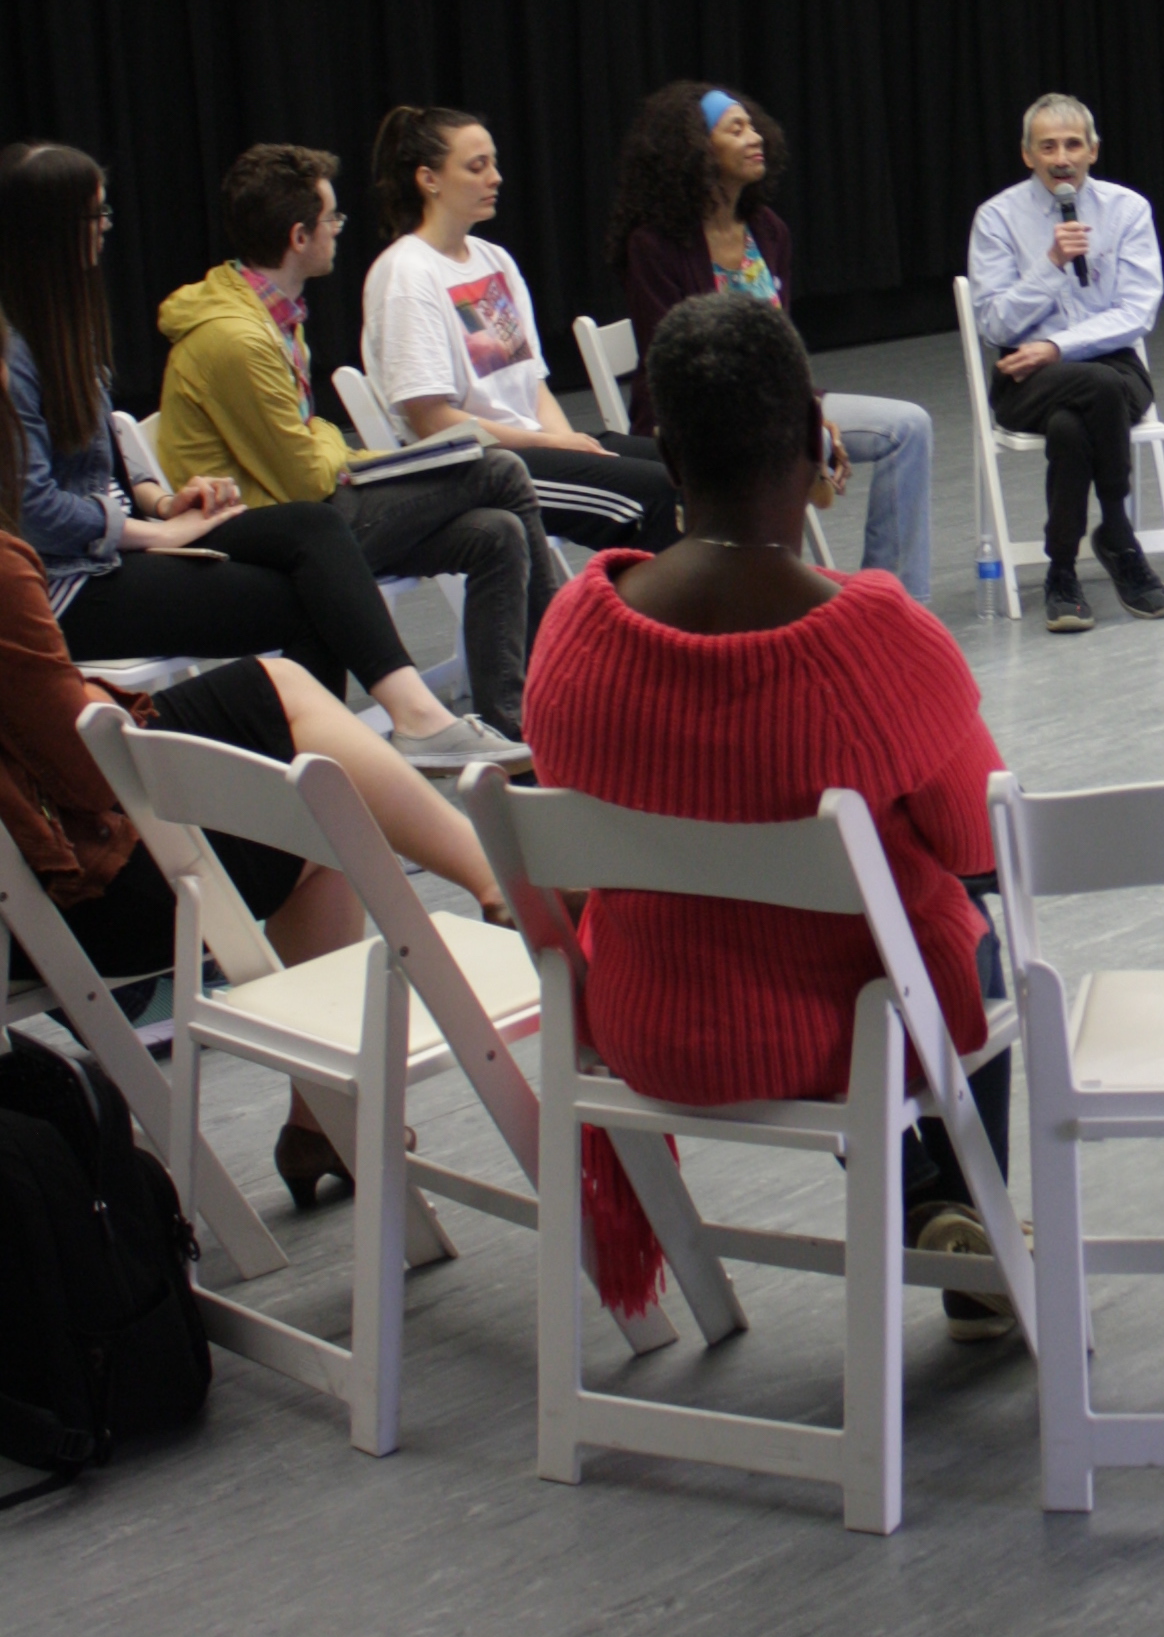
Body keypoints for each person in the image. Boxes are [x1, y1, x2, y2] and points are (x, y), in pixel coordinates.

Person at [521, 293, 1014, 1339]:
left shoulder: (575, 628)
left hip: (648, 1023)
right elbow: (982, 844)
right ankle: (980, 1222)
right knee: (969, 942)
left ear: (662, 448)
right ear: (814, 438)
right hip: (843, 1038)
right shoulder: (878, 638)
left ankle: (928, 1202)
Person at [0, 399, 514, 1206]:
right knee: (308, 761)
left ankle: (323, 1120)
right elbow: (88, 777)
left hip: (34, 891)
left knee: (318, 774)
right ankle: (500, 882)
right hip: (66, 898)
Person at [0, 141, 525, 771]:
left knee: (327, 534)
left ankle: (387, 756)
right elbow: (31, 510)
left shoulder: (65, 327)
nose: (107, 230)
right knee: (477, 483)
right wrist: (153, 532)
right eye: (96, 218)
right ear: (50, 233)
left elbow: (105, 453)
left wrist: (163, 498)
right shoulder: (17, 353)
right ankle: (356, 780)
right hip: (64, 587)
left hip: (119, 546)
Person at [157, 143, 562, 741]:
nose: (338, 232)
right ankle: (573, 670)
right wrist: (327, 445)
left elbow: (307, 441)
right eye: (332, 221)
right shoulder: (236, 336)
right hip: (276, 526)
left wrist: (324, 444)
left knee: (496, 534)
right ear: (300, 236)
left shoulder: (270, 312)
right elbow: (306, 474)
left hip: (308, 508)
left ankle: (513, 729)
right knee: (498, 471)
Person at [606, 82, 934, 600]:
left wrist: (808, 406)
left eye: (753, 126)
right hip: (698, 422)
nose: (754, 137)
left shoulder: (768, 230)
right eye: (735, 129)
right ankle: (769, 601)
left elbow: (785, 342)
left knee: (909, 427)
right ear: (695, 148)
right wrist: (795, 415)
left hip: (782, 407)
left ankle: (893, 606)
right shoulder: (655, 244)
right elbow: (677, 367)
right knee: (800, 445)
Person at [360, 106, 680, 555]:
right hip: (477, 470)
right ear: (428, 179)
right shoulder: (405, 273)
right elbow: (432, 421)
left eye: (493, 163)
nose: (496, 178)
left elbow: (534, 386)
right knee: (660, 495)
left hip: (532, 448)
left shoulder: (495, 260)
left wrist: (568, 444)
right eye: (477, 166)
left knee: (692, 471)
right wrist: (551, 444)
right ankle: (637, 623)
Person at [966, 92, 1164, 632]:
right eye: (1048, 146)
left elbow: (1137, 310)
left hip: (1112, 367)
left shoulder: (1127, 210)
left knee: (1075, 418)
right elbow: (994, 325)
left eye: (1073, 144)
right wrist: (1051, 263)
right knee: (1091, 392)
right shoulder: (996, 218)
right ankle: (1118, 535)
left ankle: (1062, 569)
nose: (1062, 157)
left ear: (1094, 151)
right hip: (1026, 377)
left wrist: (1060, 347)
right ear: (1027, 154)